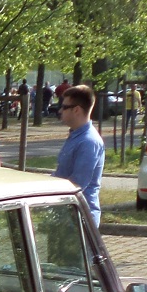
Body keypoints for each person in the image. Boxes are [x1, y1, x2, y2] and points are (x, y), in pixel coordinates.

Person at [52, 84, 106, 224]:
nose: (60, 110)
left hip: (80, 219)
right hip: (66, 215)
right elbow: (61, 174)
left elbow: (76, 184)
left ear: (76, 110)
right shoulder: (76, 136)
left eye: (64, 107)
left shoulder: (88, 142)